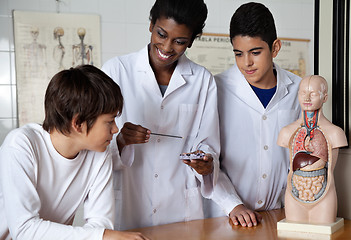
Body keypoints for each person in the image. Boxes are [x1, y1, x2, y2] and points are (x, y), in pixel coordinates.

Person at [102, 0, 220, 230]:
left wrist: (205, 163)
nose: (167, 48)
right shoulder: (115, 71)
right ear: (151, 25)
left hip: (180, 209)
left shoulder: (203, 81)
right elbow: (94, 149)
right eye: (161, 34)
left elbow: (209, 144)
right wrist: (122, 142)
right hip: (127, 205)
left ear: (192, 41)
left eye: (180, 41)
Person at [0, 65, 149, 240]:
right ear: (78, 123)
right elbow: (24, 229)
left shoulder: (100, 154)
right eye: (110, 121)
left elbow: (101, 224)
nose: (116, 129)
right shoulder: (21, 145)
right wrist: (105, 235)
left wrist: (104, 235)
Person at [204, 2, 301, 227]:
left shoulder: (298, 89)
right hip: (226, 216)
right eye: (239, 54)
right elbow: (208, 155)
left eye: (255, 52)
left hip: (279, 215)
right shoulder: (216, 88)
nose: (246, 63)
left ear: (275, 48)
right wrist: (232, 204)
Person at [277, 75, 348, 224]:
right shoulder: (287, 132)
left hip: (324, 191)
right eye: (303, 93)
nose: (307, 98)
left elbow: (330, 171)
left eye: (313, 94)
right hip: (295, 191)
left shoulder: (335, 133)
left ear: (325, 97)